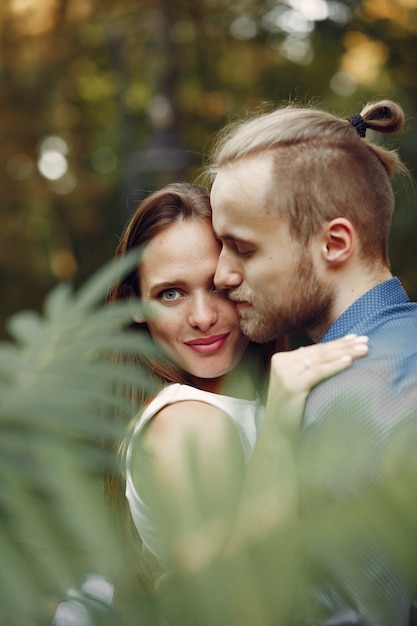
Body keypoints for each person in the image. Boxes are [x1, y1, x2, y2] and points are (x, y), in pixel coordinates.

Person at [207, 99, 417, 625]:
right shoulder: (336, 371)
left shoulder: (369, 392)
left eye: (243, 248)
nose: (220, 275)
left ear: (334, 242)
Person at [104, 181, 369, 587]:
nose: (203, 317)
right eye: (171, 293)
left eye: (216, 286)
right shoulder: (185, 424)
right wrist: (279, 425)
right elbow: (238, 604)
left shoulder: (242, 400)